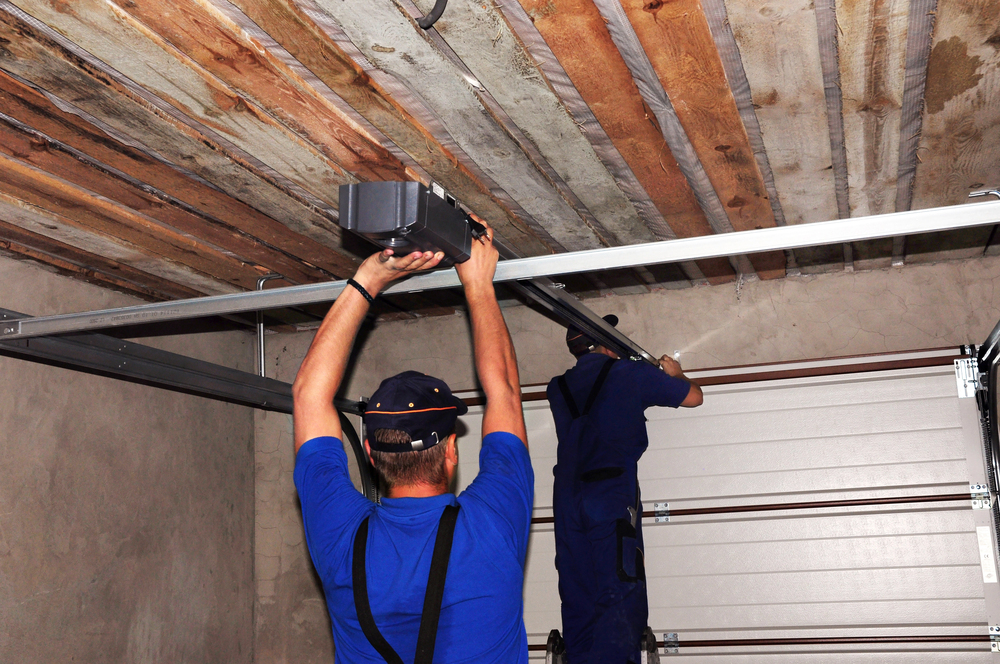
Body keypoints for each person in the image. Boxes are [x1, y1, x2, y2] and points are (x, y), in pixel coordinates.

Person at [292, 220, 532, 663]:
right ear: (452, 452)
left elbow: (308, 394)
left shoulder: (341, 533)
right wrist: (478, 283)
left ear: (370, 454)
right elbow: (505, 392)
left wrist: (368, 280)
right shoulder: (491, 524)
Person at [547, 315, 703, 664]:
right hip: (610, 492)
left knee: (577, 587)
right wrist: (675, 375)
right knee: (619, 586)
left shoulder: (557, 387)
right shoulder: (627, 374)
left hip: (567, 496)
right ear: (606, 344)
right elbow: (694, 398)